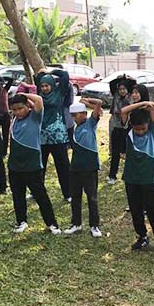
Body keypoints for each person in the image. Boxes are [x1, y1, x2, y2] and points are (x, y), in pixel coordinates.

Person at [120, 101, 154, 253]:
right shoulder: (129, 133)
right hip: (131, 178)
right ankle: (142, 236)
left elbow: (153, 108)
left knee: (153, 209)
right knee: (135, 209)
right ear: (131, 126)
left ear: (147, 125)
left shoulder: (152, 132)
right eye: (137, 129)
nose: (140, 132)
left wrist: (147, 106)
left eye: (142, 128)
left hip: (149, 178)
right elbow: (123, 111)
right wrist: (140, 104)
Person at [7, 93, 61, 235]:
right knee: (18, 195)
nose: (18, 112)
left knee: (41, 196)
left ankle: (52, 224)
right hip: (14, 166)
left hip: (32, 165)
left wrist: (23, 93)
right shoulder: (14, 121)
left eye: (20, 108)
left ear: (28, 107)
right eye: (14, 109)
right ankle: (21, 221)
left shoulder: (35, 117)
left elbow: (39, 100)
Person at [64, 98, 103, 238]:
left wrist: (86, 101)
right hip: (75, 167)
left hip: (90, 167)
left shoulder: (90, 123)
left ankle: (94, 225)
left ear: (84, 114)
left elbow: (98, 104)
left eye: (77, 115)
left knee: (92, 197)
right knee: (75, 197)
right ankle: (76, 224)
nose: (75, 118)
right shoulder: (76, 128)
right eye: (73, 116)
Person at [35, 68, 71, 202]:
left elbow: (65, 75)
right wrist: (42, 74)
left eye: (47, 85)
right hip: (42, 136)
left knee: (63, 166)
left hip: (58, 136)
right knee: (39, 166)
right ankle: (37, 192)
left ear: (52, 85)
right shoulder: (39, 96)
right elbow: (38, 77)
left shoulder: (59, 93)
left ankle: (68, 193)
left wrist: (51, 71)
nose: (44, 88)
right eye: (42, 86)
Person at [107, 75, 134, 184]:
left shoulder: (130, 97)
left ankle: (128, 174)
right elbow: (112, 84)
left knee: (128, 151)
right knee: (115, 152)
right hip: (116, 126)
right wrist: (119, 78)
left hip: (127, 126)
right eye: (120, 89)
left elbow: (134, 83)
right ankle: (112, 175)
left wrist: (128, 78)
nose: (122, 91)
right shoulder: (116, 95)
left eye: (124, 89)